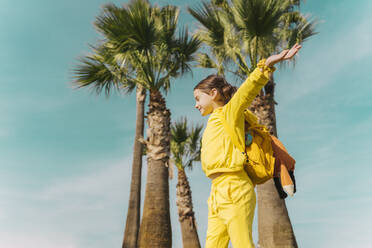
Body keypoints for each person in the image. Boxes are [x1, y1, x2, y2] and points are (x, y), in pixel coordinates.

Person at [193, 44, 302, 248]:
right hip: (216, 192)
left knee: (243, 243)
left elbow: (245, 92)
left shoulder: (228, 113)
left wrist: (266, 65)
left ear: (214, 93)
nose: (196, 104)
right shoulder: (213, 121)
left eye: (198, 98)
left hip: (235, 187)